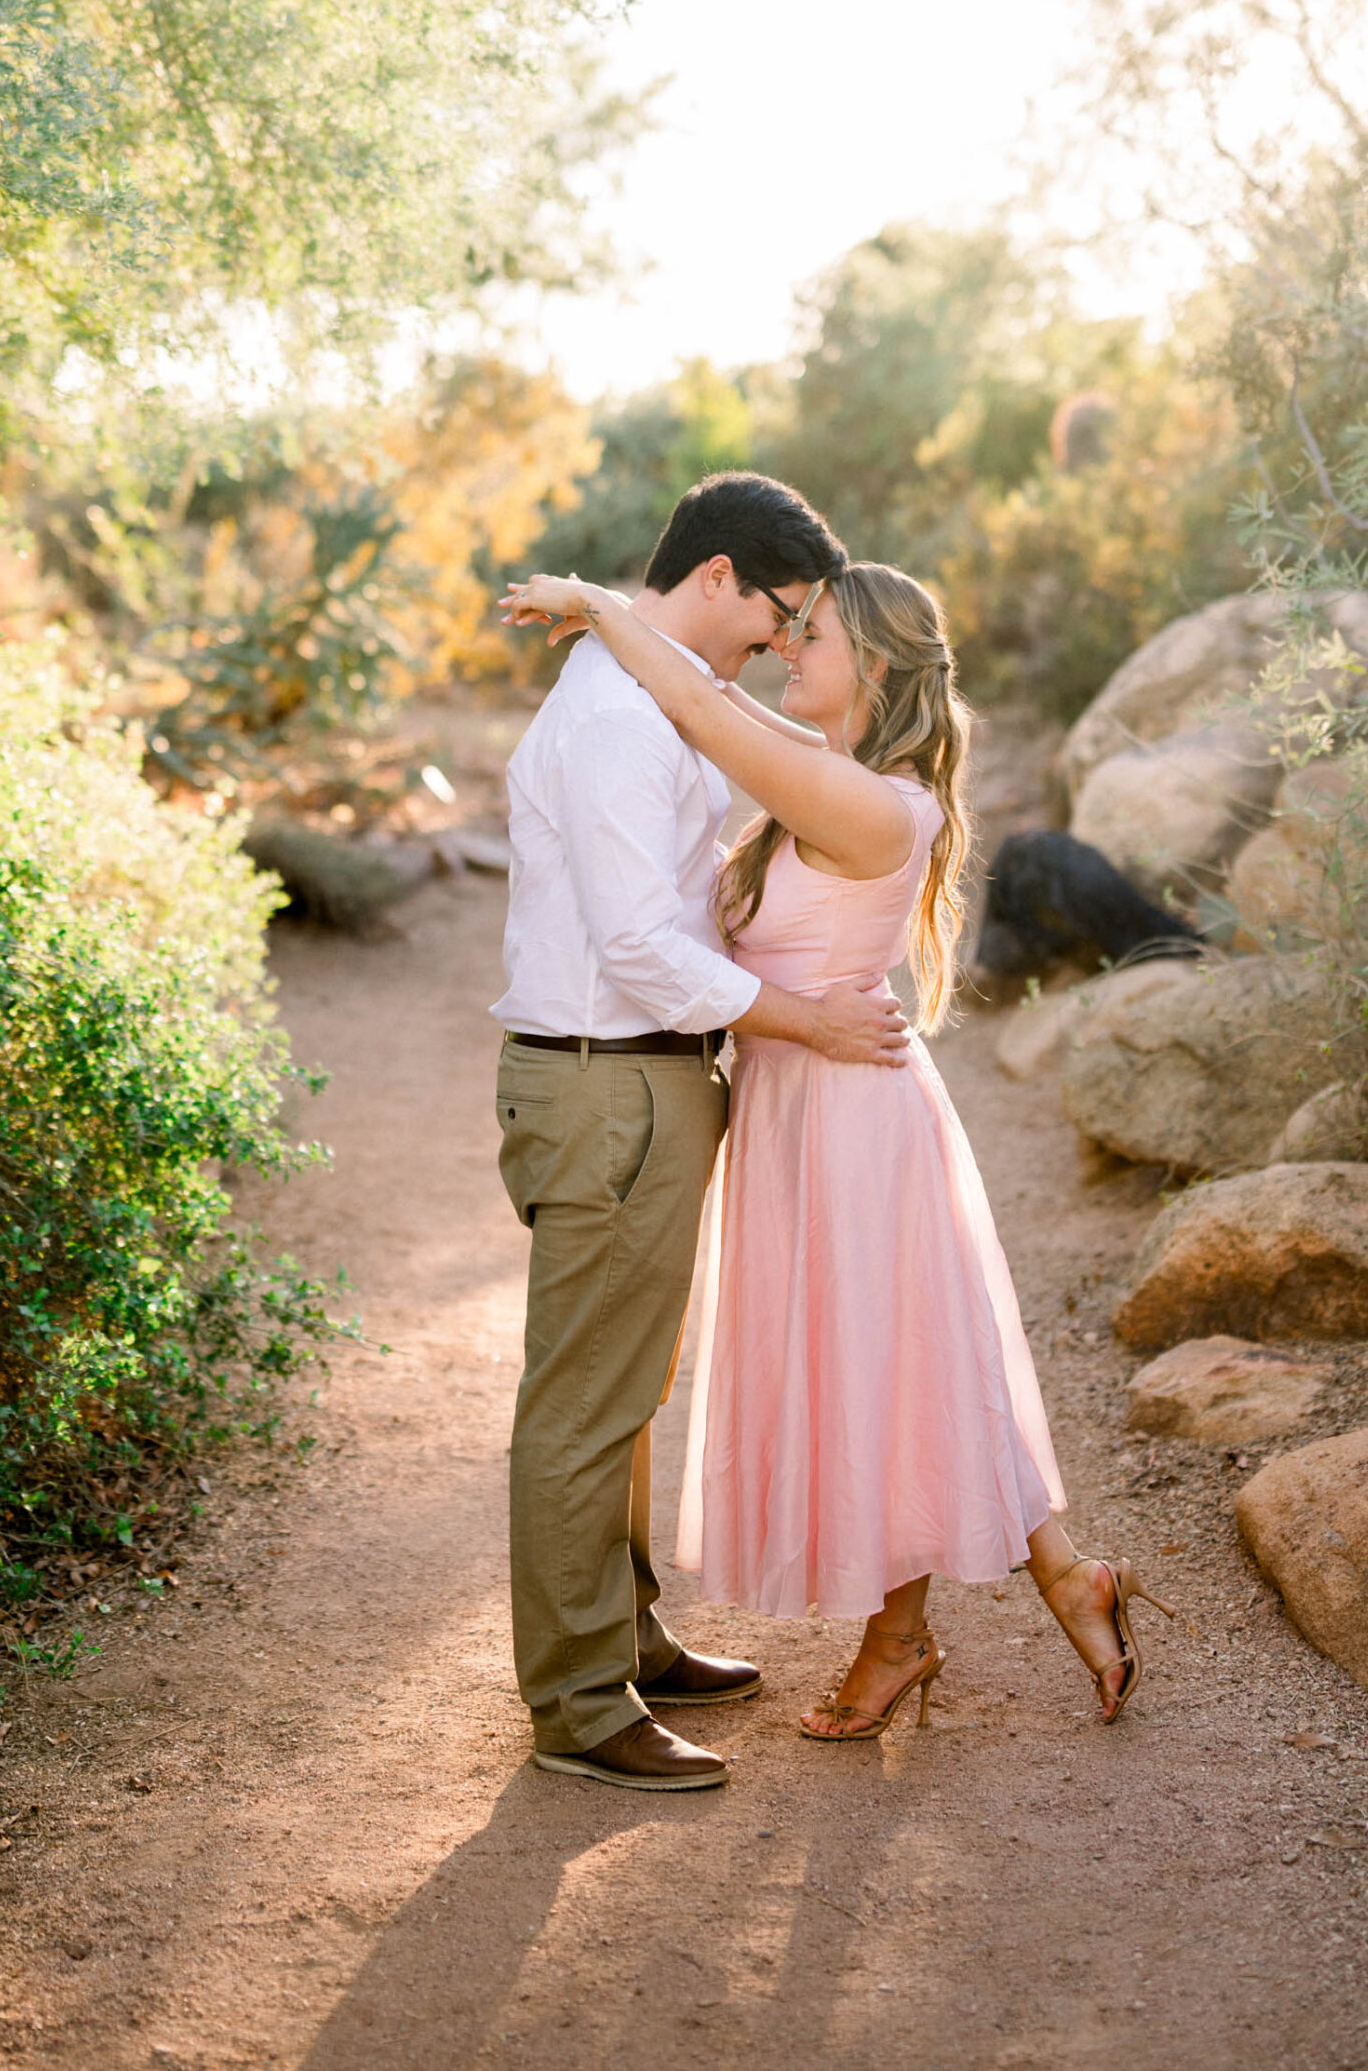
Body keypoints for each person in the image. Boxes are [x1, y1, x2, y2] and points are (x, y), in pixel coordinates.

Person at [501, 556, 1174, 1744]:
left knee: (885, 1368)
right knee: (909, 1361)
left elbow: (701, 708)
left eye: (806, 632)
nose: (782, 648)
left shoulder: (873, 803)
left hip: (849, 1112)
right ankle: (1063, 1577)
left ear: (868, 662)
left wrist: (606, 606)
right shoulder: (829, 769)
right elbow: (716, 711)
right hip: (794, 1100)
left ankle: (902, 1635)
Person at [492, 474, 914, 1795]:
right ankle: (577, 1702)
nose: (786, 646)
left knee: (626, 1386)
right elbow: (635, 947)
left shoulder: (649, 690)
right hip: (608, 1077)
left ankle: (624, 1636)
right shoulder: (619, 719)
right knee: (586, 1400)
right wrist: (804, 1020)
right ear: (724, 577)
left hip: (637, 1081)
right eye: (784, 616)